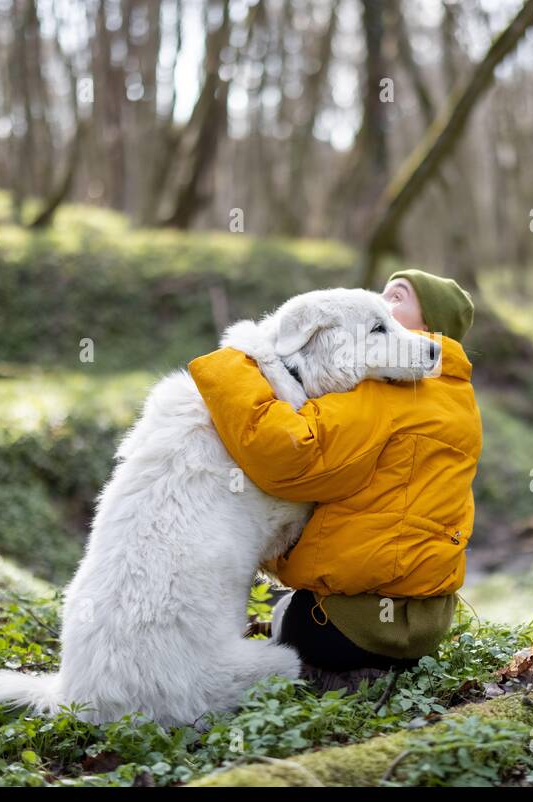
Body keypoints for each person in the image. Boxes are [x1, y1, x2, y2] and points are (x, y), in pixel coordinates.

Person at [187, 270, 481, 693]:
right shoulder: (456, 395)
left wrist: (235, 366)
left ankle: (330, 672)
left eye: (395, 298)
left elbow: (291, 454)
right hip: (423, 622)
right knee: (290, 607)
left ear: (428, 327)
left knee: (294, 617)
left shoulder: (390, 393)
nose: (380, 302)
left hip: (359, 628)